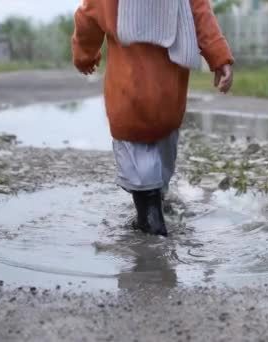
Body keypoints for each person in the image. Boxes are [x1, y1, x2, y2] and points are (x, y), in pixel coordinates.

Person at [72, 0, 234, 236]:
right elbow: (202, 16)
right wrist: (220, 58)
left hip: (129, 93)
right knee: (163, 151)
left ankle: (150, 219)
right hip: (169, 95)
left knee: (138, 156)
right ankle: (159, 203)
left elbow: (86, 20)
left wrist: (84, 56)